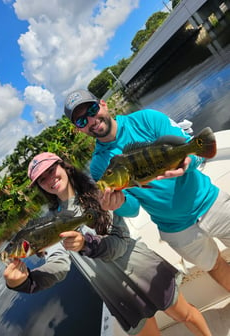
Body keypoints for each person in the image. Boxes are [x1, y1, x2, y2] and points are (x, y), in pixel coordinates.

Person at [4, 152, 211, 336]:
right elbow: (58, 263)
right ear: (40, 187)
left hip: (141, 268)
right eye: (42, 179)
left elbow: (120, 241)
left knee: (187, 316)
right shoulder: (50, 225)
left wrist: (86, 244)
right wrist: (26, 281)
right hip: (114, 291)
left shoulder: (101, 192)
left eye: (51, 170)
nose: (49, 179)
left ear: (63, 166)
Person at [63, 89, 230, 292]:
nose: (91, 120)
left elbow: (191, 150)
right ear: (79, 129)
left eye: (91, 109)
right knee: (214, 266)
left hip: (208, 201)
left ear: (103, 104)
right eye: (81, 121)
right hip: (176, 229)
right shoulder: (99, 165)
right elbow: (133, 209)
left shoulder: (146, 118)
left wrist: (187, 163)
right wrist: (120, 204)